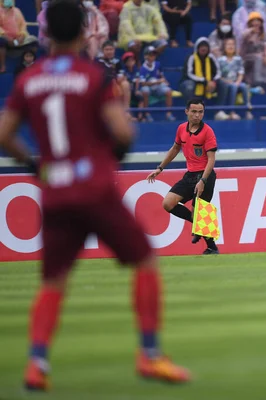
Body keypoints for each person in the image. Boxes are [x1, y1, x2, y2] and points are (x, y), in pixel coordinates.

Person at [0, 1, 190, 391]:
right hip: (96, 188)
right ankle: (150, 355)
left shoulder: (29, 79)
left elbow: (5, 135)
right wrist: (108, 158)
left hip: (55, 191)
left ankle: (37, 364)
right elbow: (123, 133)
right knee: (144, 262)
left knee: (52, 281)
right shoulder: (93, 76)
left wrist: (40, 169)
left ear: (47, 33)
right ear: (86, 32)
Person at [146, 99, 221, 254]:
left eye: (200, 112)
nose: (197, 115)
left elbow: (211, 160)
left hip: (205, 176)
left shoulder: (207, 131)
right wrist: (160, 168)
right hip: (190, 175)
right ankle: (199, 229)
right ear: (186, 111)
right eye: (194, 111)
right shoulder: (181, 129)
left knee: (197, 212)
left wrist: (203, 181)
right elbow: (175, 149)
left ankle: (212, 247)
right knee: (168, 203)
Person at [239, 12, 266, 89]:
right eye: (254, 20)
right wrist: (251, 31)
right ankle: (258, 79)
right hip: (247, 56)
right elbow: (242, 37)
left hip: (260, 55)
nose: (256, 22)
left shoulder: (264, 34)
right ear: (250, 23)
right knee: (258, 58)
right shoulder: (247, 32)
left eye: (258, 20)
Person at [217, 37, 251, 120]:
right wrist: (226, 81)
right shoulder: (220, 60)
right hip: (225, 82)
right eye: (228, 44)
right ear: (224, 47)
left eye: (233, 44)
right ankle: (231, 112)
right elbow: (218, 75)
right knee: (233, 86)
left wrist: (238, 81)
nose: (231, 46)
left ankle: (247, 111)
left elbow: (241, 72)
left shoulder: (238, 59)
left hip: (236, 81)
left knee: (244, 86)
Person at [0, 0, 38, 73]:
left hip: (18, 38)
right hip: (5, 38)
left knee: (33, 40)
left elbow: (23, 24)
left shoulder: (17, 11)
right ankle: (2, 66)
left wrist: (22, 35)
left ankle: (29, 64)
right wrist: (6, 36)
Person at [139, 46, 175, 121]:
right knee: (145, 91)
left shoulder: (158, 64)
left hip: (157, 86)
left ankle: (168, 114)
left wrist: (165, 81)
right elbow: (142, 83)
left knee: (168, 91)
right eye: (150, 55)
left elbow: (161, 75)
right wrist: (156, 82)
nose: (152, 57)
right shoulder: (142, 68)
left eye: (154, 55)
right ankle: (146, 114)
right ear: (145, 56)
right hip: (148, 87)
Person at [181, 37, 221, 103]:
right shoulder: (191, 57)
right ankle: (192, 108)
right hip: (191, 81)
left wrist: (213, 81)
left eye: (206, 47)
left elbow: (218, 72)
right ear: (197, 48)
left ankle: (220, 110)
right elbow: (189, 74)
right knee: (189, 86)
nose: (204, 48)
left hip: (210, 83)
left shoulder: (211, 57)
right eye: (202, 46)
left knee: (223, 84)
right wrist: (205, 81)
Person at [97, 40, 131, 110]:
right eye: (107, 49)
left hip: (116, 82)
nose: (109, 51)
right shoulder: (98, 61)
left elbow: (121, 73)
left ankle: (126, 110)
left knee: (125, 84)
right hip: (105, 83)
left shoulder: (117, 61)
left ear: (114, 50)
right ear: (102, 51)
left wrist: (121, 77)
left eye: (111, 49)